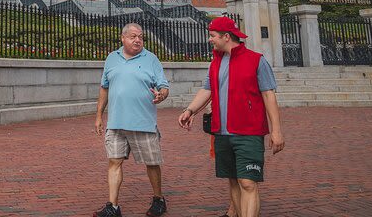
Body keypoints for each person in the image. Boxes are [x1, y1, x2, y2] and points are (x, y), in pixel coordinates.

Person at [178, 17, 284, 217]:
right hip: (222, 132)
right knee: (233, 180)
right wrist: (190, 110)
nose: (210, 40)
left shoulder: (256, 60)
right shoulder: (216, 62)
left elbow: (269, 95)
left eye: (212, 36)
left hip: (249, 132)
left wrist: (276, 131)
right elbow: (207, 90)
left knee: (248, 182)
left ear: (226, 37)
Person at [94, 23, 170, 217]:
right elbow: (104, 87)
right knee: (114, 162)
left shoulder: (151, 59)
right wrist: (99, 116)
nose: (138, 40)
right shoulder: (112, 58)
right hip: (116, 123)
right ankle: (113, 206)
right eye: (133, 36)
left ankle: (158, 200)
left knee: (152, 163)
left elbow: (163, 86)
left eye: (141, 37)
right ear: (123, 38)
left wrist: (161, 95)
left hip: (143, 122)